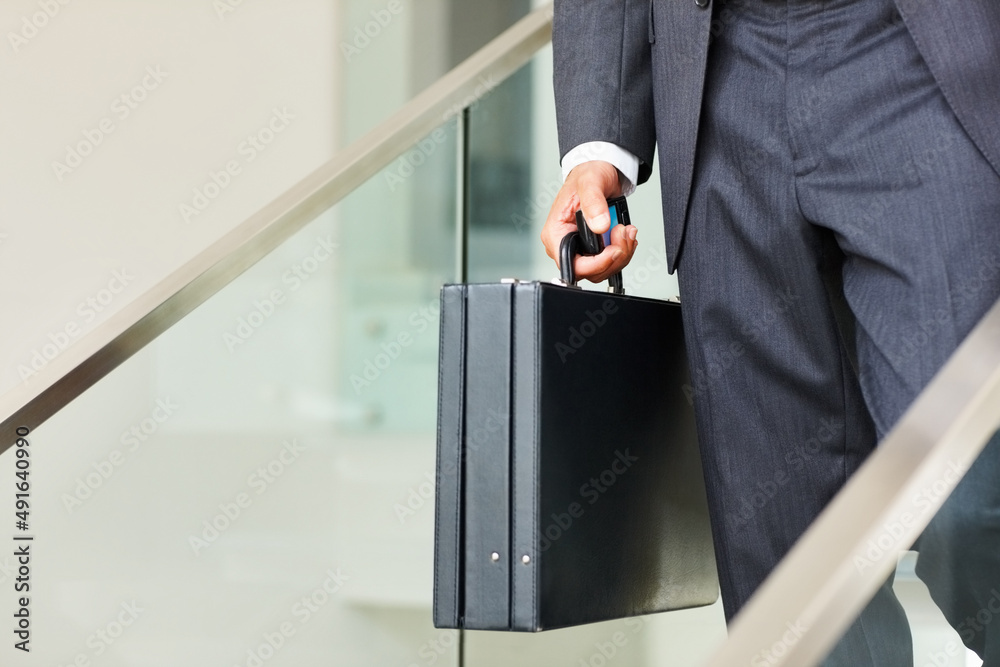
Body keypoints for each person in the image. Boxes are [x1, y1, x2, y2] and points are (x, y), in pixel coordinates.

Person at [541, 0, 1000, 663]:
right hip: (718, 80)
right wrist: (596, 145)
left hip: (913, 56)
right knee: (790, 575)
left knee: (967, 492)